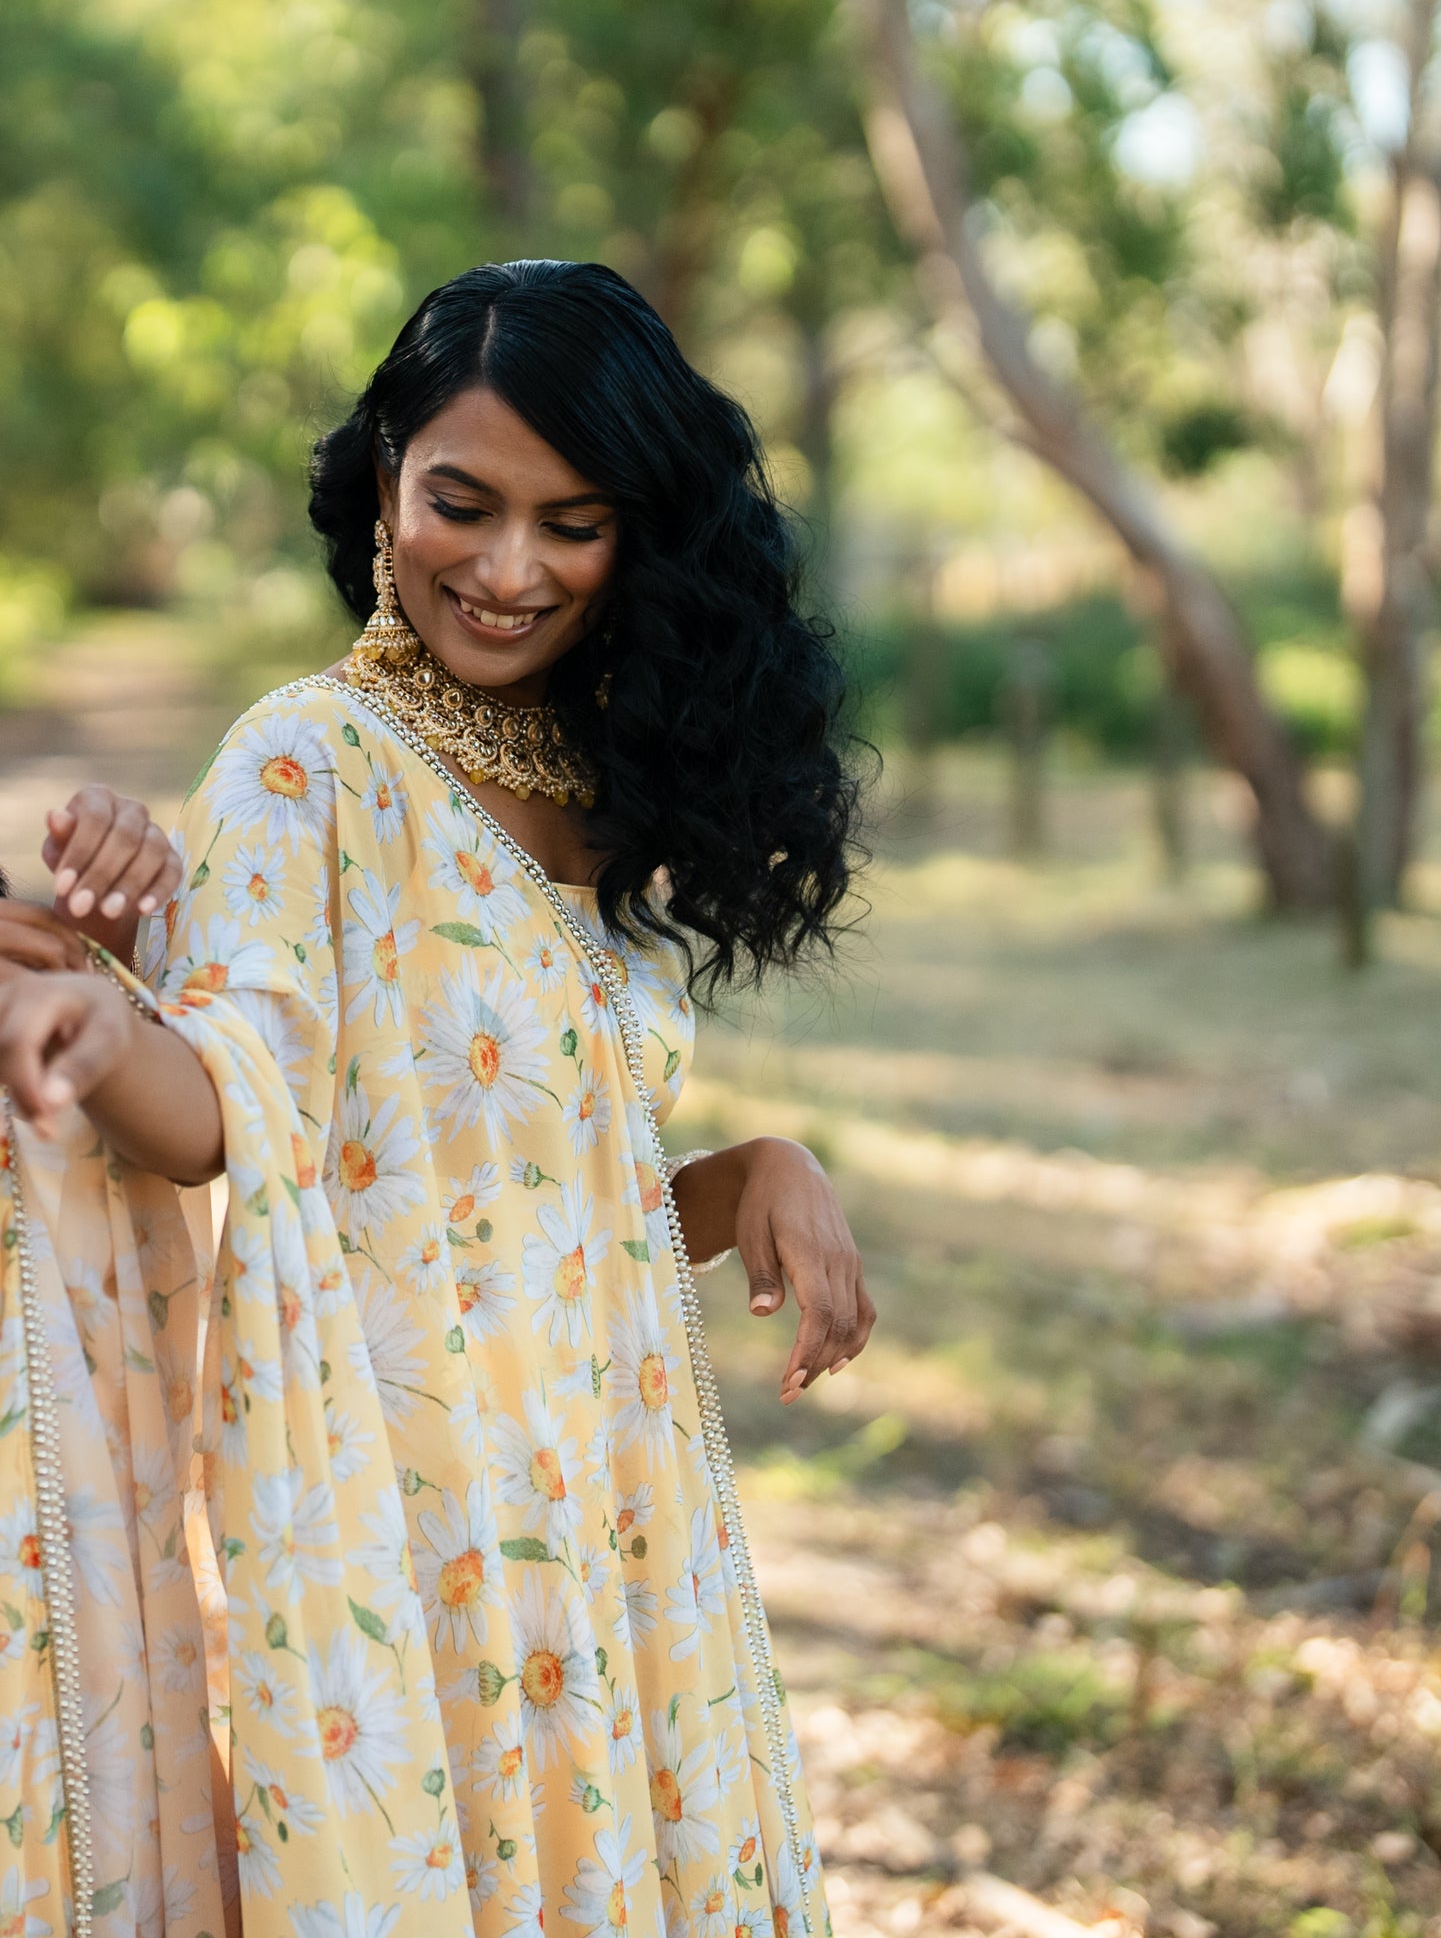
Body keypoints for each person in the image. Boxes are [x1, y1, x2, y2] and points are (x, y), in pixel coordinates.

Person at [0, 258, 874, 1938]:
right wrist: (101, 1037)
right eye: (461, 503)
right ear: (386, 475)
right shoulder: (306, 759)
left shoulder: (608, 800)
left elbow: (540, 1201)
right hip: (399, 1519)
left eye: (574, 522)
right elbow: (237, 1107)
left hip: (610, 1508)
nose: (508, 566)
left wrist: (755, 1167)